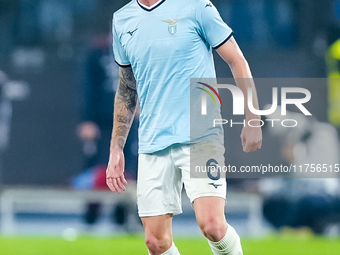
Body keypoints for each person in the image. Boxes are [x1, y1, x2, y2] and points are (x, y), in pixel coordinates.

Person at [106, 0, 262, 254]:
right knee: (155, 242)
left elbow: (237, 59)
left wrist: (252, 117)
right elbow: (126, 88)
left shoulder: (196, 6)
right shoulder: (122, 19)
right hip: (153, 140)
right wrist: (116, 148)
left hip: (200, 133)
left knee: (212, 225)